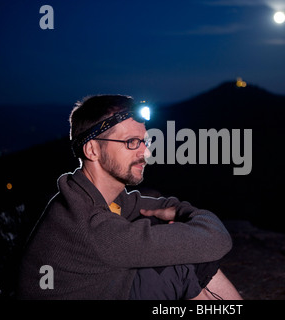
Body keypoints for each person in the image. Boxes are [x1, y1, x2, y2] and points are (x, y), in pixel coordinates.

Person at [17, 94, 242, 300]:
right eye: (131, 142)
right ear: (92, 150)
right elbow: (216, 238)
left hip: (103, 289)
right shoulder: (93, 226)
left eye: (146, 141)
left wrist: (178, 212)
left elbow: (156, 206)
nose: (147, 152)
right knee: (183, 266)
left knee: (178, 249)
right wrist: (188, 218)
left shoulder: (96, 198)